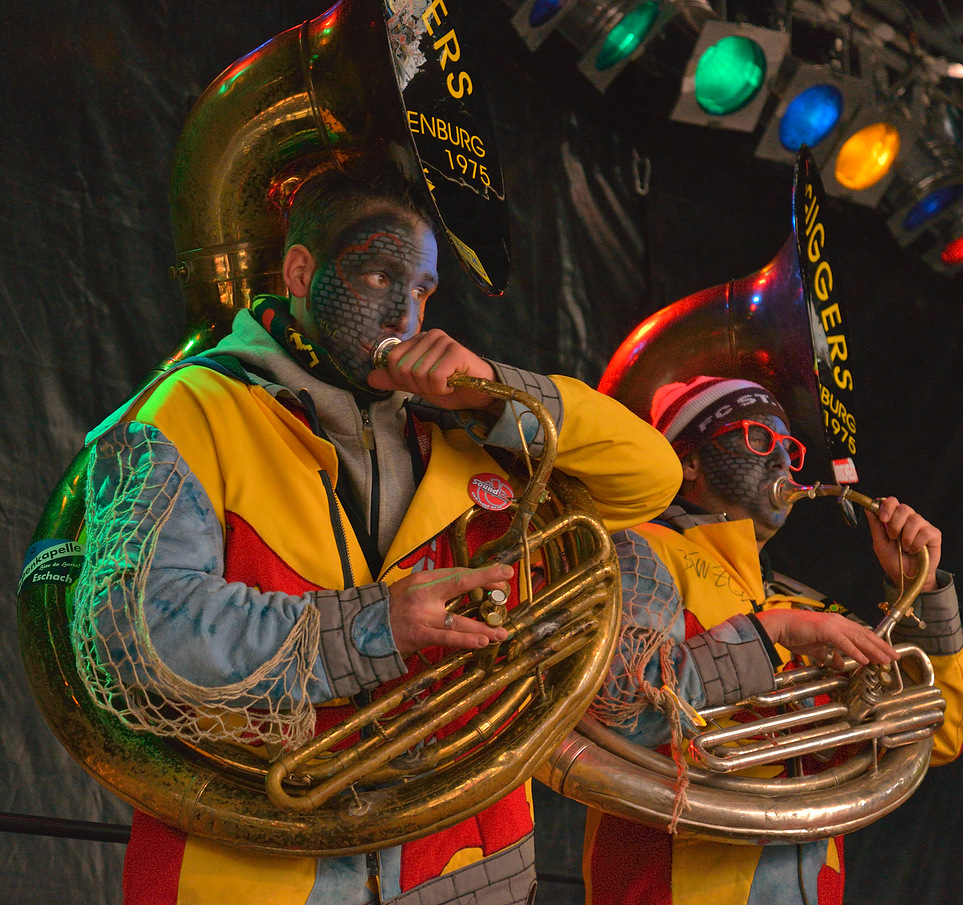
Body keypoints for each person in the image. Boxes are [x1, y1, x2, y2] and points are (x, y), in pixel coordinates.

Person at [73, 170, 684, 905]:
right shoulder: (190, 406)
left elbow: (651, 476)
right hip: (251, 869)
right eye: (375, 273)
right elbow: (132, 633)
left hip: (466, 869)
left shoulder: (464, 431)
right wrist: (374, 627)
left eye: (423, 289)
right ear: (300, 271)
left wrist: (491, 386)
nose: (405, 311)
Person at [584, 375, 963, 905]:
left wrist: (917, 591)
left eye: (789, 448)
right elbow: (623, 710)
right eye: (758, 439)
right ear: (687, 461)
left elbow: (936, 734)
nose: (784, 464)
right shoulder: (637, 549)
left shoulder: (800, 603)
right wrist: (774, 636)